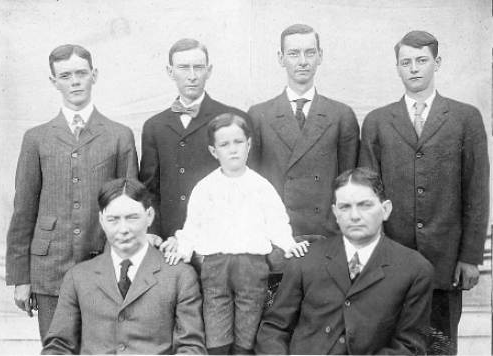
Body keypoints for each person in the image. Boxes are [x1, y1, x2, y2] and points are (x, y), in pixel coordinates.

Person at [358, 30, 489, 354]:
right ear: (397, 68)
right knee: (391, 344)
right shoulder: (377, 121)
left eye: (421, 60)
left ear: (437, 63)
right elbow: (367, 195)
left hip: (445, 262)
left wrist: (470, 257)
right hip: (390, 260)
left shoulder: (465, 118)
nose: (414, 68)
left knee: (441, 345)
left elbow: (476, 192)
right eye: (406, 62)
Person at [5, 44, 138, 341]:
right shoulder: (36, 139)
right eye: (65, 76)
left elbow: (131, 212)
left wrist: (126, 266)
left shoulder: (119, 136)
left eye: (81, 73)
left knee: (103, 345)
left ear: (94, 75)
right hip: (49, 269)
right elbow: (23, 211)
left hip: (104, 263)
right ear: (54, 82)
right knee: (57, 345)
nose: (75, 81)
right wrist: (21, 278)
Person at [164, 113, 309, 354]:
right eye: (224, 144)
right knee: (215, 319)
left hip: (251, 266)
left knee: (249, 320)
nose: (233, 150)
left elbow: (277, 221)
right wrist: (183, 249)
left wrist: (287, 243)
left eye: (238, 142)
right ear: (213, 151)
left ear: (249, 145)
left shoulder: (261, 186)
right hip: (215, 266)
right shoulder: (205, 187)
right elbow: (193, 225)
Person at [255, 168, 434, 355]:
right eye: (345, 207)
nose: (354, 216)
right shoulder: (306, 261)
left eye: (365, 205)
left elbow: (410, 346)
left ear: (385, 209)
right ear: (335, 213)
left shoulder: (415, 269)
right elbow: (274, 328)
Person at [41, 178, 206, 355]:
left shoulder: (179, 276)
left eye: (132, 218)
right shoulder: (78, 277)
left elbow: (191, 349)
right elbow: (58, 347)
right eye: (113, 219)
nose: (123, 229)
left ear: (149, 216)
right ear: (102, 220)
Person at [248, 24, 359, 239]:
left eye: (310, 53)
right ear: (281, 58)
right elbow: (251, 184)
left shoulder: (341, 115)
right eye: (293, 53)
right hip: (277, 234)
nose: (302, 61)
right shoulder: (258, 115)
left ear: (320, 56)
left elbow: (350, 184)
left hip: (326, 233)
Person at [140, 38, 254, 245]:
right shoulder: (154, 126)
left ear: (209, 71)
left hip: (219, 238)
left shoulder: (234, 119)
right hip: (167, 238)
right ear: (170, 71)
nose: (192, 76)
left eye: (198, 68)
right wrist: (153, 231)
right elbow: (149, 189)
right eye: (183, 68)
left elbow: (245, 184)